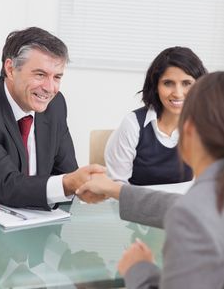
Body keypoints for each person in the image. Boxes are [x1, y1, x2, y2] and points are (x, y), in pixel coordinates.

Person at [76, 71, 224, 289]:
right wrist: (115, 189)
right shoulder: (204, 204)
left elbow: (190, 213)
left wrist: (140, 269)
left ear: (188, 130)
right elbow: (186, 208)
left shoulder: (192, 215)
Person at [0, 26, 105, 210]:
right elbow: (7, 185)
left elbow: (67, 172)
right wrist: (68, 183)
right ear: (11, 69)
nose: (50, 88)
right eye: (40, 74)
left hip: (41, 223)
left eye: (57, 77)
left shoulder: (55, 105)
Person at [105, 46, 207, 185]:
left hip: (181, 205)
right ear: (156, 87)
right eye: (168, 83)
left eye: (186, 83)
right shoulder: (133, 125)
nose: (178, 93)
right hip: (137, 205)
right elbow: (115, 186)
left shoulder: (201, 125)